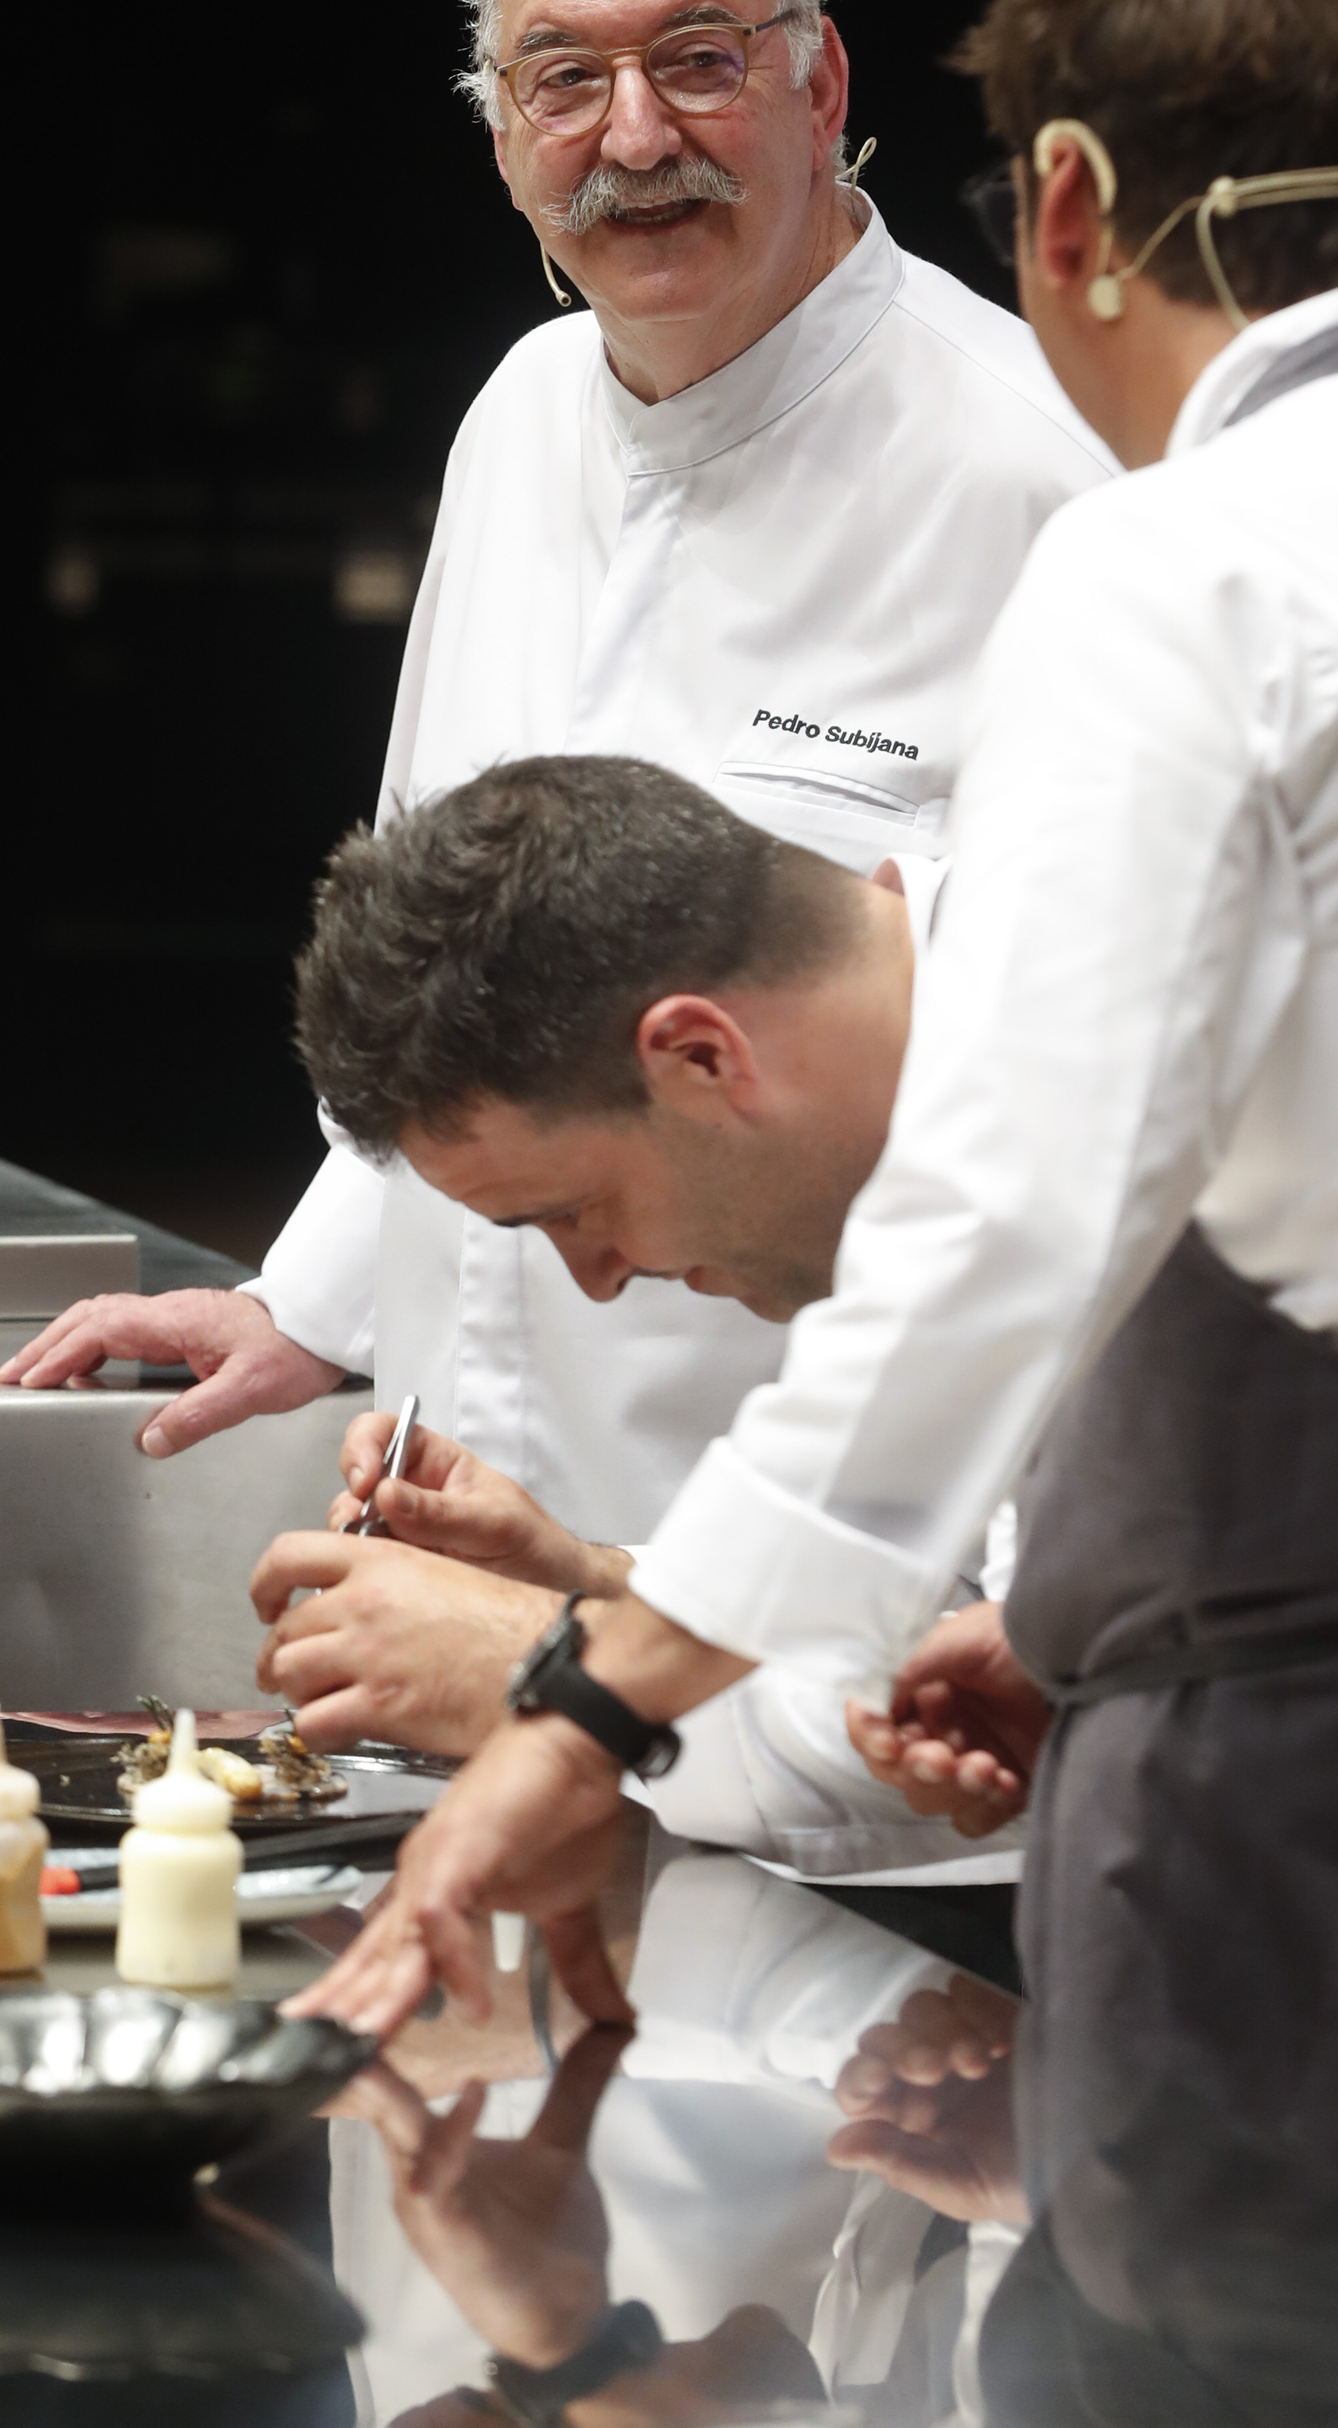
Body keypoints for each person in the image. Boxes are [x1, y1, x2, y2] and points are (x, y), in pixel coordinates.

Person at [290, 0, 1338, 2284]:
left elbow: (991, 1234)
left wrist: (589, 1699)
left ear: (1049, 204)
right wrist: (1045, 1609)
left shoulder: (1167, 559)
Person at [0, 0, 1110, 1581]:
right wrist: (314, 1302)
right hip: (458, 1533)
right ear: (500, 137)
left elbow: (1089, 1100)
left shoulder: (1045, 476)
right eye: (562, 78)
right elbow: (441, 978)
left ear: (820, 85)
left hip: (806, 1569)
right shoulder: (518, 419)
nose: (635, 137)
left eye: (694, 59)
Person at [248, 757, 1013, 1886]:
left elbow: (1104, 1687)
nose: (600, 1281)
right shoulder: (928, 1097)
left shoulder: (1077, 1086)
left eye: (574, 1212)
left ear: (700, 1056)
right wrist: (593, 1580)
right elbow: (960, 1608)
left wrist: (546, 1669)